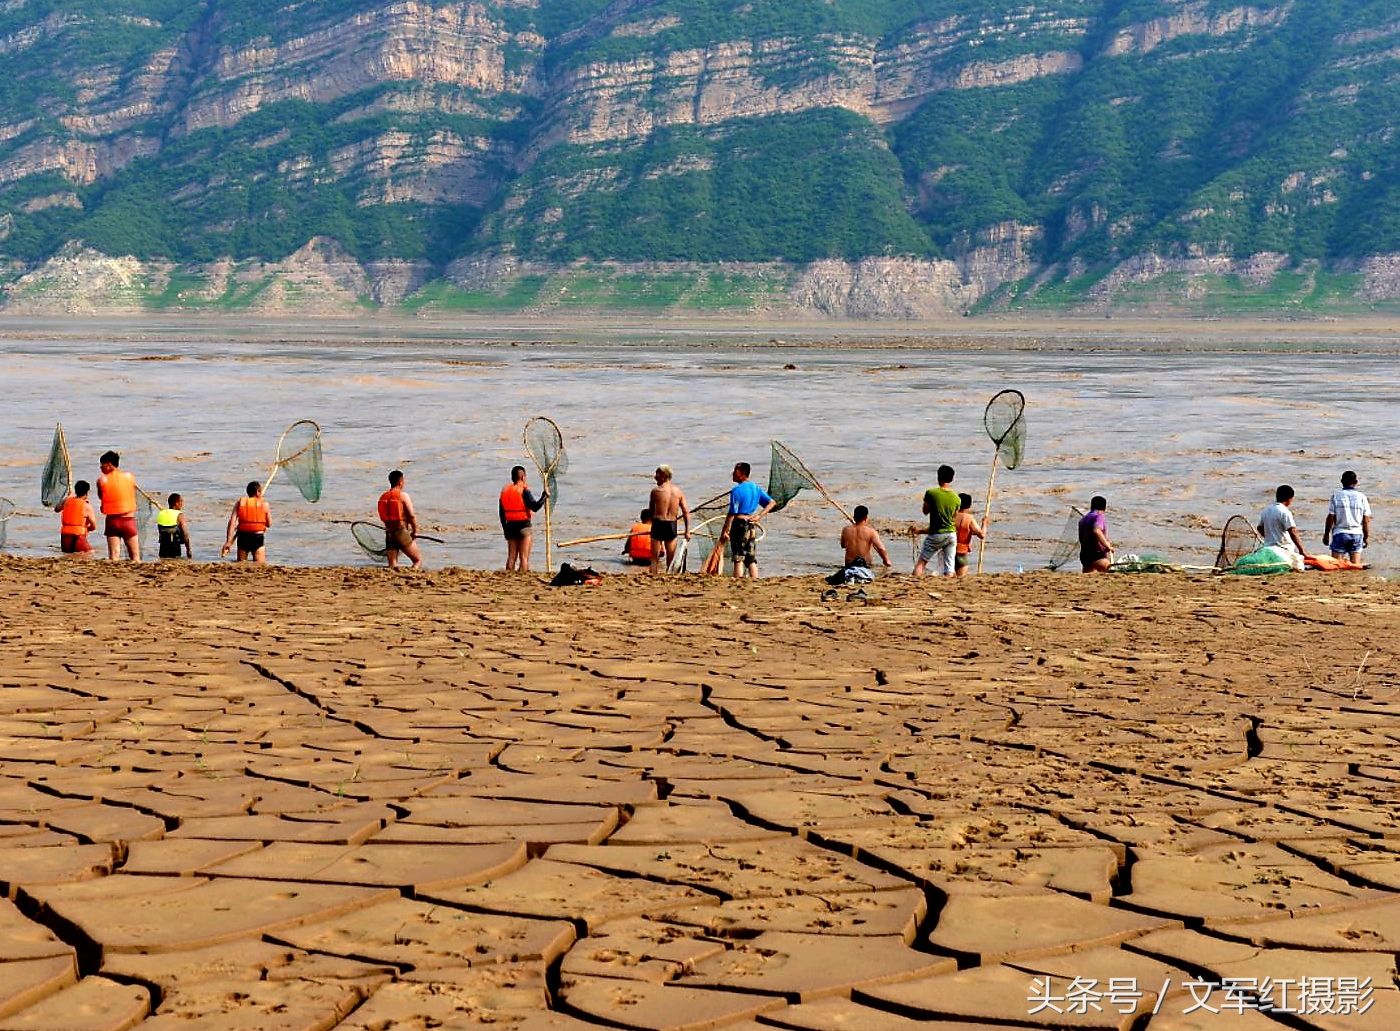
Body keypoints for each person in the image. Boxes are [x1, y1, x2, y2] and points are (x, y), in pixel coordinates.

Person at [719, 462, 777, 578]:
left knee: (738, 557)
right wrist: (759, 516)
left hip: (739, 525)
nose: (733, 474)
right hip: (751, 525)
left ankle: (738, 581)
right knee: (750, 558)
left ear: (741, 474)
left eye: (735, 472)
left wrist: (725, 531)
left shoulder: (736, 490)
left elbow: (732, 513)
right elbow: (772, 502)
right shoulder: (756, 488)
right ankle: (755, 580)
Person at [913, 465, 959, 577]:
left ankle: (915, 581)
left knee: (921, 563)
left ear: (938, 477)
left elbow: (925, 511)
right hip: (951, 534)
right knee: (949, 566)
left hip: (936, 534)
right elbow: (954, 518)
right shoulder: (956, 498)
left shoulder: (931, 493)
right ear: (952, 479)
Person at [500, 465, 547, 572]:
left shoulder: (505, 491)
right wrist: (544, 496)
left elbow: (501, 513)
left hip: (510, 526)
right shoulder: (524, 490)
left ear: (512, 478)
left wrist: (505, 529)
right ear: (523, 477)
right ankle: (524, 575)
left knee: (511, 556)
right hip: (524, 526)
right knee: (524, 558)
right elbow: (535, 507)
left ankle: (508, 576)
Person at [96, 450, 141, 561]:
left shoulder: (101, 480)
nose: (101, 467)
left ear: (110, 464)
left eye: (102, 464)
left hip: (112, 521)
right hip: (128, 520)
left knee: (114, 556)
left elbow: (102, 497)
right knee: (135, 556)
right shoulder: (130, 477)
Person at [648, 465, 692, 574]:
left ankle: (654, 575)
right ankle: (669, 575)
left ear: (664, 476)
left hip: (658, 524)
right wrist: (687, 530)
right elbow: (686, 512)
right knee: (670, 558)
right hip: (671, 525)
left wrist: (650, 526)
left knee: (654, 558)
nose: (655, 477)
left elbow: (651, 512)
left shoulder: (655, 491)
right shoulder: (678, 492)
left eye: (657, 474)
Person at [378, 470, 422, 569]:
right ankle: (413, 574)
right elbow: (411, 515)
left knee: (392, 565)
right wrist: (415, 531)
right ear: (401, 482)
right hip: (401, 532)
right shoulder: (403, 495)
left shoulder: (383, 497)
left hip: (389, 533)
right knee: (417, 560)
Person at [1324, 470, 1371, 563]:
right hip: (1357, 533)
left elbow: (1331, 517)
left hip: (1340, 533)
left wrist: (1326, 535)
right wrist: (1366, 537)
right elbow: (1366, 520)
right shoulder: (1362, 497)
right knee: (1355, 567)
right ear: (1356, 482)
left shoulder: (1336, 496)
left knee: (1336, 565)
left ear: (1341, 481)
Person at [221, 481, 271, 563]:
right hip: (257, 537)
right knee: (260, 564)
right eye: (260, 491)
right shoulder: (265, 504)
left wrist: (228, 541)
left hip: (243, 537)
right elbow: (269, 524)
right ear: (258, 492)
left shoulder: (240, 503)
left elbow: (232, 523)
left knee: (241, 563)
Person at [1258, 485, 1309, 562]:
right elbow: (1292, 531)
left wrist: (1269, 537)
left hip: (1268, 548)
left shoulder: (1266, 510)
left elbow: (1259, 528)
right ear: (1289, 499)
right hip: (1283, 549)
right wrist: (1302, 550)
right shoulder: (1284, 511)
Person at [839, 505, 891, 570]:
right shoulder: (871, 532)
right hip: (864, 566)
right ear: (866, 518)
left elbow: (843, 545)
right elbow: (881, 548)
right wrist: (886, 560)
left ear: (854, 517)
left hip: (849, 566)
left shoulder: (846, 530)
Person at [57, 480, 97, 558]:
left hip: (65, 537)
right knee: (91, 553)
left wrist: (68, 497)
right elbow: (94, 527)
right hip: (78, 537)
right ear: (87, 492)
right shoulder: (87, 506)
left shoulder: (67, 501)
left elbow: (57, 509)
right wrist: (86, 529)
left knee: (70, 555)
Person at [954, 493, 987, 577]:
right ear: (969, 505)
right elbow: (982, 535)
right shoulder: (969, 518)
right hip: (961, 552)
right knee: (961, 578)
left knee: (948, 575)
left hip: (948, 550)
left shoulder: (951, 516)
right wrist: (984, 524)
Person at [1079, 496, 1114, 573]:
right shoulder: (1099, 516)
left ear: (1091, 506)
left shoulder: (1083, 519)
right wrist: (1107, 545)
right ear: (1104, 507)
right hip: (1097, 555)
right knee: (1111, 572)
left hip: (1084, 556)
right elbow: (1097, 531)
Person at [156, 493, 192, 560]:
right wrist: (188, 550)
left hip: (163, 547)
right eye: (181, 501)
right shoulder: (179, 515)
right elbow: (185, 533)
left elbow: (160, 530)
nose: (182, 504)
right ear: (176, 503)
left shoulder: (161, 513)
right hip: (174, 547)